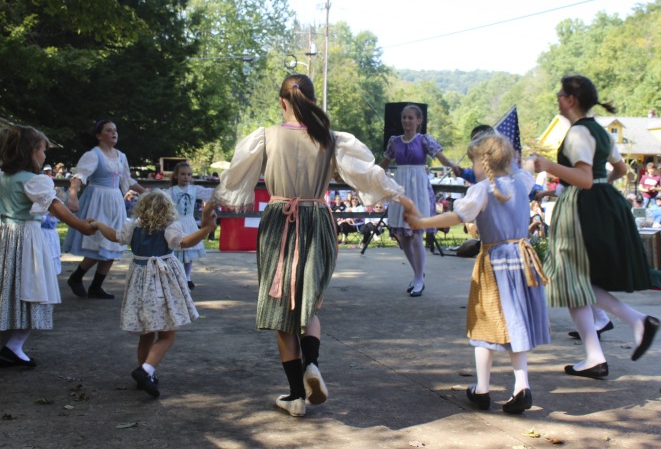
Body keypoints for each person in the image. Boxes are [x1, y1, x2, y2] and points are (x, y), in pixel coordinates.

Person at [212, 74, 402, 417]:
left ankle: (295, 395)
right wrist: (395, 191)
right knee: (309, 305)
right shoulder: (331, 139)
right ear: (312, 101)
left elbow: (235, 177)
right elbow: (367, 174)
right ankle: (312, 363)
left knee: (282, 310)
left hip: (279, 220)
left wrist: (215, 201)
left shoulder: (266, 137)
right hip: (317, 219)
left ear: (282, 102)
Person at [401, 133, 550, 414]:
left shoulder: (482, 190)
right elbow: (527, 169)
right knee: (515, 323)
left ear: (483, 164)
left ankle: (482, 389)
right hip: (522, 259)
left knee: (484, 325)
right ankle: (522, 385)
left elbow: (458, 217)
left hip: (495, 263)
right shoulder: (521, 183)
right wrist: (525, 161)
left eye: (474, 163)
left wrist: (422, 222)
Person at [532, 75, 660, 379]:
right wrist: (602, 188)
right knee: (576, 281)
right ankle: (596, 354)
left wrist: (549, 166)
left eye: (561, 94)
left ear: (571, 100)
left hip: (579, 208)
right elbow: (619, 169)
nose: (558, 98)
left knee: (569, 279)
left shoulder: (577, 133)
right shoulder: (599, 131)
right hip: (601, 203)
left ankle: (630, 325)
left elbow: (585, 177)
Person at [0, 125, 96, 367]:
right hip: (25, 238)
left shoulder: (3, 177)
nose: (45, 155)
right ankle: (13, 347)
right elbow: (54, 205)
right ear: (29, 152)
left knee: (8, 291)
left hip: (3, 237)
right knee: (33, 290)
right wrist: (79, 225)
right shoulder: (34, 181)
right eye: (42, 150)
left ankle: (7, 348)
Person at [89, 191, 216, 397]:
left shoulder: (133, 226)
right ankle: (146, 370)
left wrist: (97, 224)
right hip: (162, 283)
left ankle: (145, 374)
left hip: (139, 284)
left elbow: (115, 236)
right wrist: (206, 229)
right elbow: (184, 243)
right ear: (168, 208)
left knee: (147, 333)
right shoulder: (170, 227)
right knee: (167, 333)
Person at [379, 104, 461, 296]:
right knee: (402, 235)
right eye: (404, 118)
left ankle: (418, 279)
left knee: (416, 234)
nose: (406, 121)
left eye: (410, 118)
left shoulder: (424, 140)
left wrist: (453, 165)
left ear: (419, 121)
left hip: (419, 188)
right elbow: (384, 163)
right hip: (400, 186)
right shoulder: (394, 141)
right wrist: (368, 172)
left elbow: (442, 158)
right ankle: (418, 273)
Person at [63, 119, 148, 299]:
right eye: (109, 130)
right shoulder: (94, 154)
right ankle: (76, 277)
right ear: (99, 135)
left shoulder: (121, 156)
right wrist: (72, 195)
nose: (114, 133)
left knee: (114, 242)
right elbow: (80, 176)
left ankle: (96, 286)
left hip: (115, 200)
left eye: (115, 130)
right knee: (99, 243)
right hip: (98, 199)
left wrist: (146, 192)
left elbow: (127, 181)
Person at [167, 161, 214, 290]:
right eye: (183, 174)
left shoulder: (194, 189)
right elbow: (163, 202)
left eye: (189, 174)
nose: (186, 177)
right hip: (176, 222)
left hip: (190, 222)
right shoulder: (171, 191)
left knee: (189, 252)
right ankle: (176, 276)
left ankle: (187, 277)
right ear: (176, 175)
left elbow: (211, 193)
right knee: (176, 251)